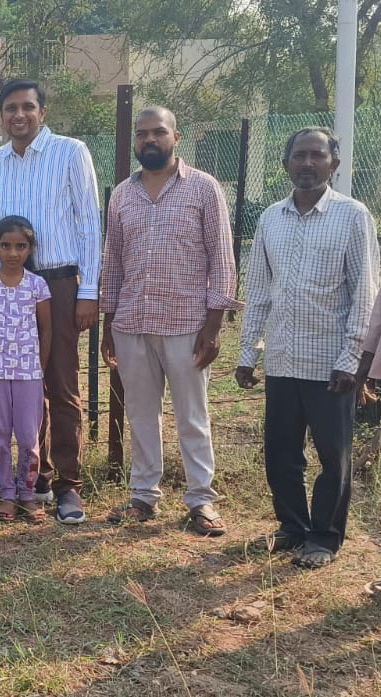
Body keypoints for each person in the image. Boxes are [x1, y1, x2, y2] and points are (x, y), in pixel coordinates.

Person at [237, 126, 379, 569]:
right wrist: (247, 353)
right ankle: (292, 526)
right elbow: (259, 289)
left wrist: (352, 359)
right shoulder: (269, 220)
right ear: (285, 164)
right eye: (299, 155)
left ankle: (324, 537)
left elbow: (365, 294)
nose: (307, 163)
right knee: (281, 451)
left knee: (332, 456)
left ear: (333, 164)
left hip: (331, 363)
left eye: (317, 155)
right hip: (282, 357)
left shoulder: (353, 216)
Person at [100, 107, 239, 536]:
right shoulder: (123, 194)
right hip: (132, 323)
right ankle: (143, 495)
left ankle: (201, 500)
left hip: (187, 325)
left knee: (192, 416)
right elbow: (113, 262)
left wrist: (213, 326)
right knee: (141, 413)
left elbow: (222, 258)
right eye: (141, 134)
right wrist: (109, 323)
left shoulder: (202, 189)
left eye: (157, 132)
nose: (148, 140)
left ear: (175, 138)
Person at [0, 79, 101, 524]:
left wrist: (87, 291)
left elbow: (88, 225)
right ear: (1, 114)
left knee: (60, 384)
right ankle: (32, 479)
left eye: (28, 107)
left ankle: (68, 485)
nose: (19, 115)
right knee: (14, 383)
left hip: (59, 283)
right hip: (4, 286)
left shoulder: (70, 152)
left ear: (43, 111)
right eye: (10, 108)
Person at [0, 216, 52, 523]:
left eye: (20, 246)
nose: (13, 253)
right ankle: (6, 492)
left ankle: (27, 493)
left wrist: (39, 368)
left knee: (29, 437)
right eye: (6, 246)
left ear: (30, 249)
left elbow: (46, 331)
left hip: (28, 374)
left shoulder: (37, 285)